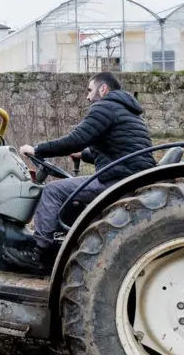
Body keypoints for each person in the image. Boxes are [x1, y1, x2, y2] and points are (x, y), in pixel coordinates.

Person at [19, 71, 156, 254]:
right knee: (69, 191)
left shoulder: (105, 107)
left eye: (90, 90)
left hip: (117, 182)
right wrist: (82, 155)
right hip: (131, 177)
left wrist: (37, 150)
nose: (88, 96)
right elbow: (117, 150)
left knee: (53, 191)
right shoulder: (129, 112)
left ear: (103, 89)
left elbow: (74, 140)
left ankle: (39, 251)